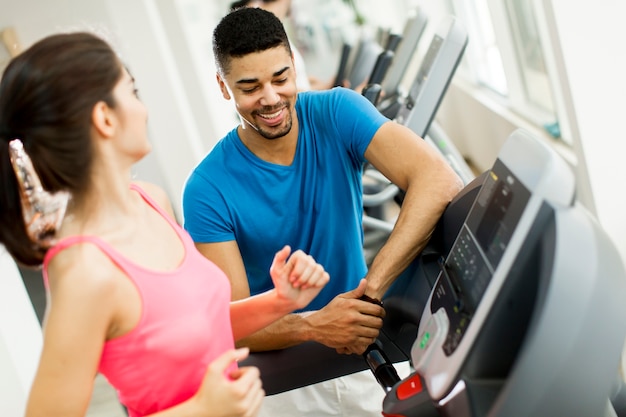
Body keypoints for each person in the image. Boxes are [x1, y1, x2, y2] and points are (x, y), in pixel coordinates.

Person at [0, 31, 329, 417]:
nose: (144, 108)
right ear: (104, 118)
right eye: (132, 91)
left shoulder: (151, 201)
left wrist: (281, 301)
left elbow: (195, 322)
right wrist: (202, 409)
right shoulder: (84, 270)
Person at [182, 7, 463, 416]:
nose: (271, 98)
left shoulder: (336, 113)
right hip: (283, 375)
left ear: (294, 64)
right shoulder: (206, 188)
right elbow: (231, 321)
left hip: (361, 346)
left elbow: (438, 178)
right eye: (250, 87)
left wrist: (369, 293)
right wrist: (315, 324)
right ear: (224, 87)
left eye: (280, 78)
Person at [229, 0, 334, 91]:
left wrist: (313, 84)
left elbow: (293, 81)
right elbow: (280, 93)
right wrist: (324, 89)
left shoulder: (278, 32)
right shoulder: (262, 38)